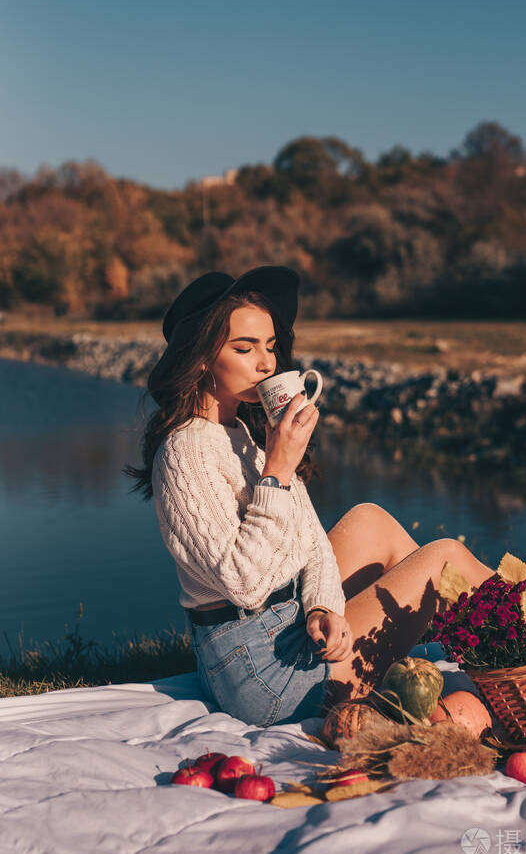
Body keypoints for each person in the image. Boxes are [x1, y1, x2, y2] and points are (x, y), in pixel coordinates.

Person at [125, 265, 493, 727]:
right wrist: (278, 469)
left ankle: (514, 630)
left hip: (294, 625)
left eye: (271, 347)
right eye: (244, 348)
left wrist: (323, 606)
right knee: (444, 558)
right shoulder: (185, 451)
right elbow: (244, 584)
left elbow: (311, 541)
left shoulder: (242, 432)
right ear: (200, 358)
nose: (266, 364)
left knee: (369, 519)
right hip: (263, 674)